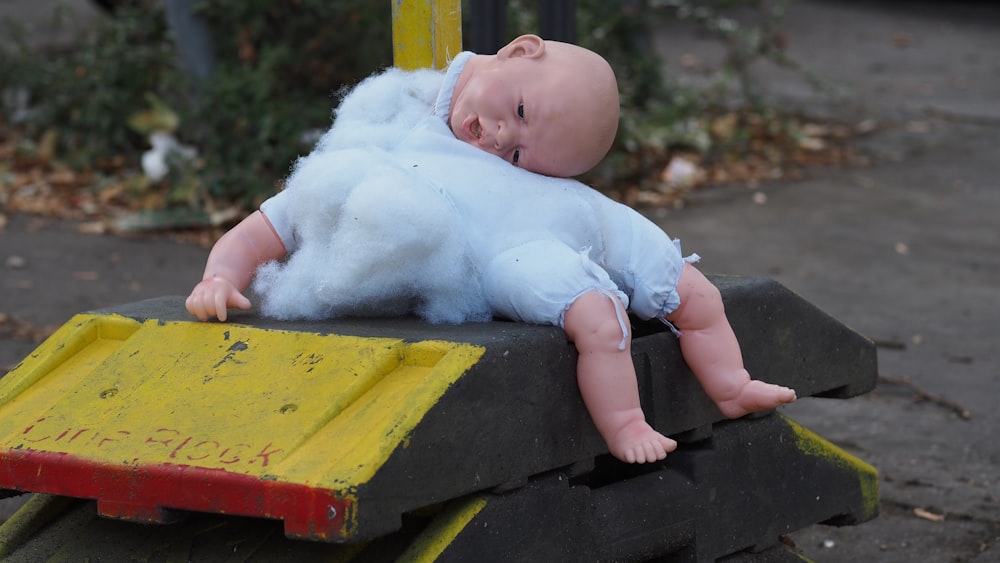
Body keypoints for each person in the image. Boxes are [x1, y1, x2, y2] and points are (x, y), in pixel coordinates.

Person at [186, 35, 796, 464]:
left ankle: (731, 382)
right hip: (491, 252)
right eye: (520, 110)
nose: (503, 139)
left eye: (523, 154)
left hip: (540, 227)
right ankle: (625, 423)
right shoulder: (392, 140)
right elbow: (277, 220)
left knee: (690, 289)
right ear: (519, 50)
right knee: (596, 316)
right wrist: (221, 275)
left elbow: (581, 206)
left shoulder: (559, 192)